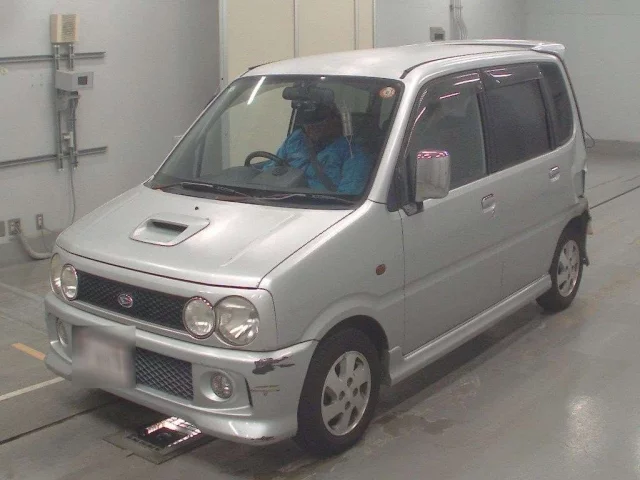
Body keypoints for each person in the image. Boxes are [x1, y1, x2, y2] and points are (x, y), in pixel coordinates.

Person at [263, 104, 373, 195]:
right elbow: (271, 169)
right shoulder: (296, 139)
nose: (311, 128)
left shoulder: (352, 152)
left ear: (334, 120)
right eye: (307, 124)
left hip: (319, 205)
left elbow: (348, 195)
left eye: (318, 123)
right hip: (282, 197)